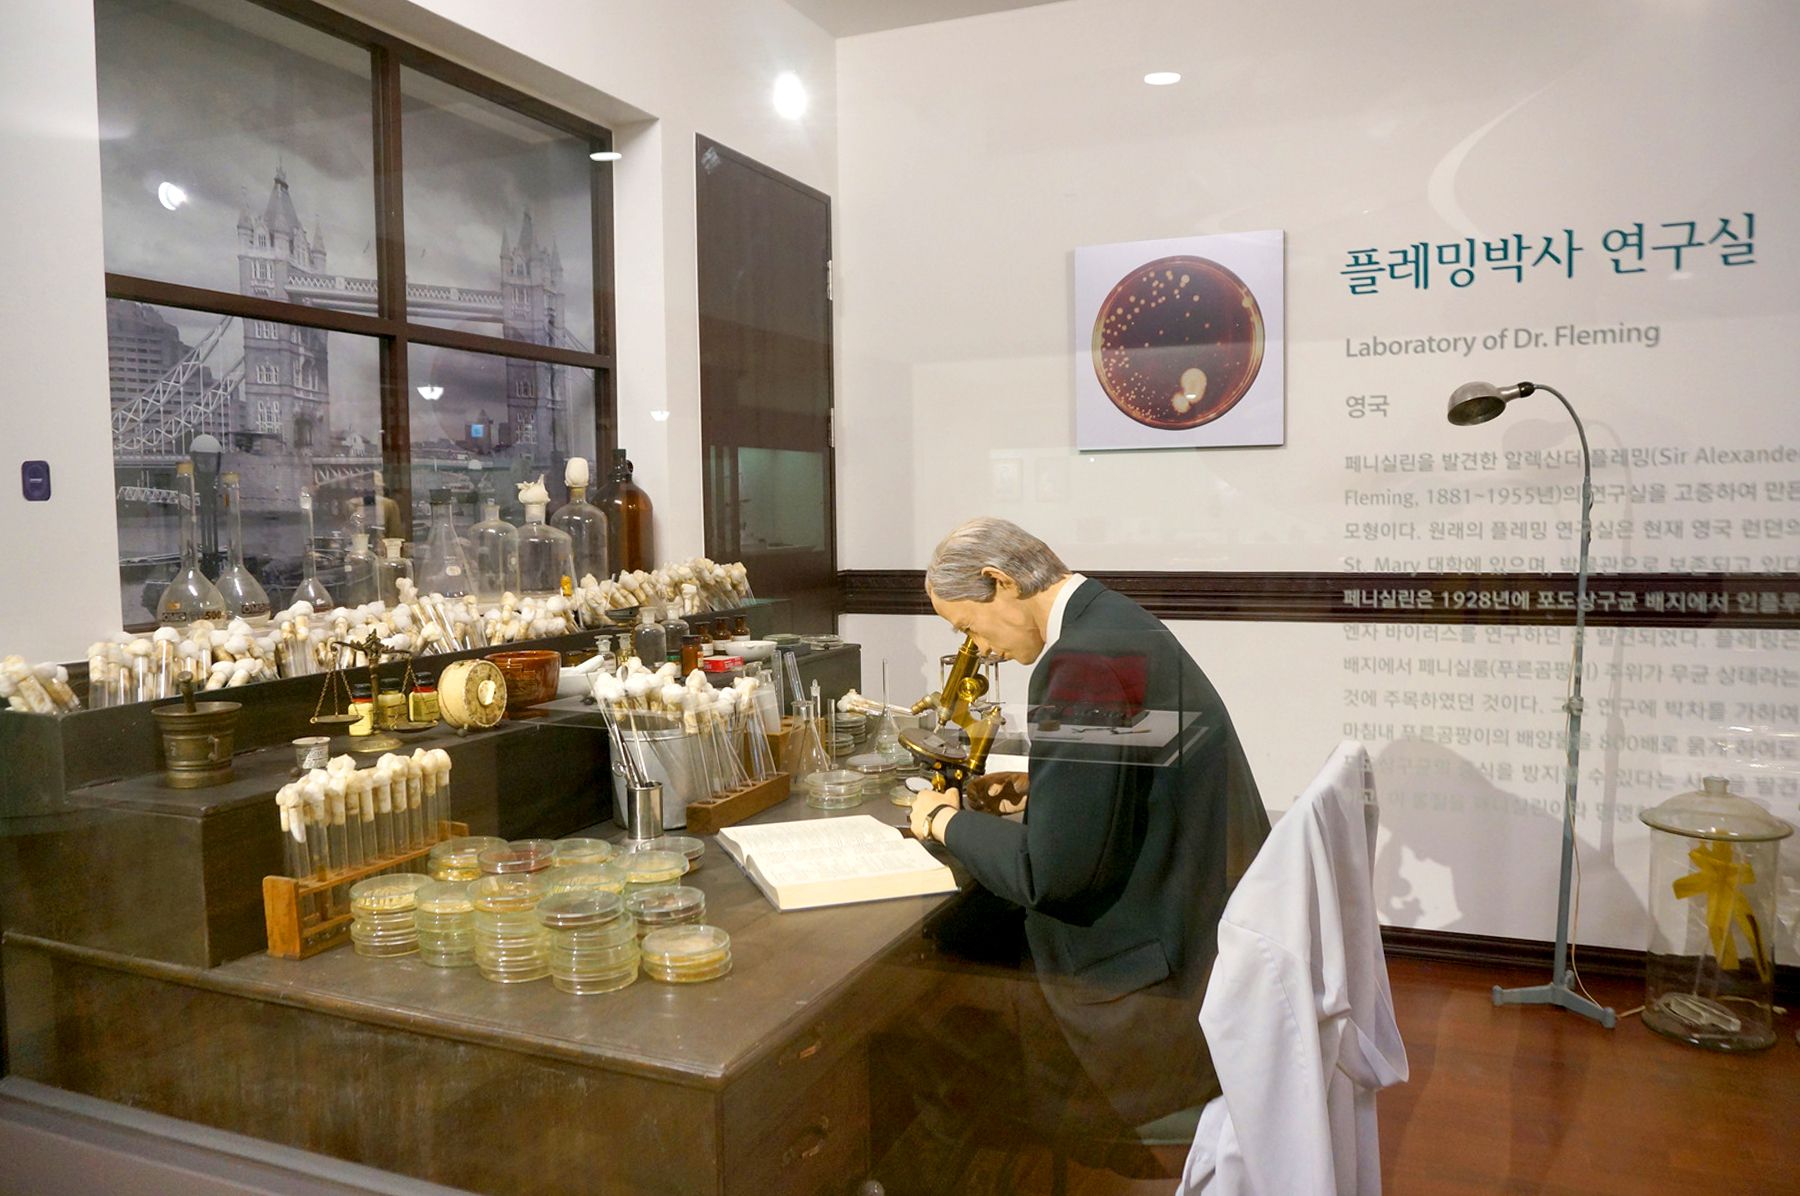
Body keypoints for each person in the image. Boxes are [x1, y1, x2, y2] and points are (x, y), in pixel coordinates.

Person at [879, 516, 1269, 1190]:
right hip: (1200, 937)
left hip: (1150, 997)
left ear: (1000, 582)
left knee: (905, 1023)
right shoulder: (1116, 622)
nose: (981, 650)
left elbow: (1049, 876)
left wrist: (942, 820)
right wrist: (1052, 789)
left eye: (969, 627)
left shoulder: (1077, 666)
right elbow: (1155, 759)